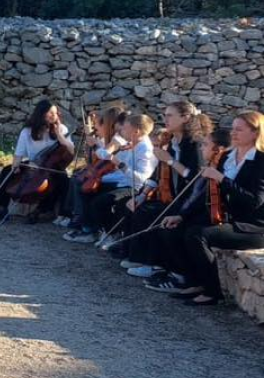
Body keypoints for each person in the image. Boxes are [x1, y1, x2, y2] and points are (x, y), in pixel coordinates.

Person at [158, 111, 264, 306]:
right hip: (227, 218)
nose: (233, 133)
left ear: (255, 133)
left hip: (252, 226)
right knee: (174, 229)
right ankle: (194, 281)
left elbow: (254, 201)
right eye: (233, 129)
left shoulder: (260, 162)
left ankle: (212, 291)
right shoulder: (226, 157)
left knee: (198, 235)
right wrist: (181, 216)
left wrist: (222, 179)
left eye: (239, 130)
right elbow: (207, 195)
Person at [141, 124, 228, 295]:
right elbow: (197, 197)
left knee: (185, 231)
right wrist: (181, 215)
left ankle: (188, 279)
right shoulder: (208, 164)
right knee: (167, 224)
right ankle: (170, 271)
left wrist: (182, 215)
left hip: (215, 215)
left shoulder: (199, 154)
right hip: (194, 207)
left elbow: (199, 193)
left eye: (206, 145)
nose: (202, 147)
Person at [120, 104, 206, 276]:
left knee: (155, 215)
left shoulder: (194, 144)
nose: (165, 119)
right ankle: (138, 256)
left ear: (186, 118)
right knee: (139, 207)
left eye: (170, 115)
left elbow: (195, 178)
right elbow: (157, 174)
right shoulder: (172, 141)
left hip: (188, 199)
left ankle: (155, 264)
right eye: (165, 115)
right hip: (171, 195)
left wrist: (170, 161)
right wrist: (142, 195)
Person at [64, 113, 155, 243]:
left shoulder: (145, 149)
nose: (121, 131)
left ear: (136, 131)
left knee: (100, 201)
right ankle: (89, 229)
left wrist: (120, 164)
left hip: (133, 187)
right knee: (86, 188)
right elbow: (104, 156)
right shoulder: (130, 143)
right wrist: (100, 145)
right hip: (121, 182)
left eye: (125, 128)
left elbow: (141, 179)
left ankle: (110, 232)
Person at [0, 100, 75, 221]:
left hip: (54, 166)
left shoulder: (62, 129)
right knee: (7, 170)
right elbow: (19, 154)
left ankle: (46, 210)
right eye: (50, 113)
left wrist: (60, 136)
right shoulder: (27, 131)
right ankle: (0, 206)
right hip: (33, 163)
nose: (54, 116)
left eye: (55, 113)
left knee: (61, 178)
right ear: (40, 114)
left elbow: (71, 150)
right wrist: (15, 165)